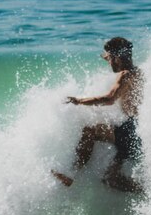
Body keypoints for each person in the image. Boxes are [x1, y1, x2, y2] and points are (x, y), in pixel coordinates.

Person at [52, 37, 144, 192]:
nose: (108, 63)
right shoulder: (138, 72)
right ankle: (149, 193)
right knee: (111, 178)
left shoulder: (125, 74)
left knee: (90, 131)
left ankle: (71, 174)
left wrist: (79, 101)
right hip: (137, 133)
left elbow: (109, 99)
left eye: (109, 58)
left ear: (117, 58)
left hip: (129, 131)